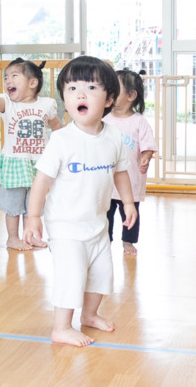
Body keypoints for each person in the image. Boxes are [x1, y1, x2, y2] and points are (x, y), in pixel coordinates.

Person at [24, 56, 135, 346]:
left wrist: (129, 203)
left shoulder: (113, 137)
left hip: (97, 224)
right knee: (71, 276)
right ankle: (61, 327)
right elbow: (41, 182)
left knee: (101, 275)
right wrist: (33, 217)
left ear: (109, 99)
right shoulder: (61, 140)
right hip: (65, 226)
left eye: (90, 87)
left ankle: (89, 315)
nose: (80, 94)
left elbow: (121, 171)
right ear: (64, 98)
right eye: (72, 88)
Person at [0, 58, 62, 251]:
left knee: (34, 206)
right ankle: (12, 238)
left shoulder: (47, 105)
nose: (8, 81)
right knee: (13, 205)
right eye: (6, 77)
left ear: (33, 83)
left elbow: (57, 127)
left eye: (14, 76)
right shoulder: (8, 104)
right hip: (15, 163)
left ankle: (32, 236)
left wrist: (62, 147)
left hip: (38, 164)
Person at [102, 69, 156, 255]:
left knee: (131, 213)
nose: (109, 92)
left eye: (114, 89)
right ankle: (104, 240)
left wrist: (146, 157)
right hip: (107, 180)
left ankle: (128, 241)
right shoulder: (103, 119)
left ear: (131, 95)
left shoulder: (139, 121)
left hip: (131, 179)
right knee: (105, 214)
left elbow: (148, 144)